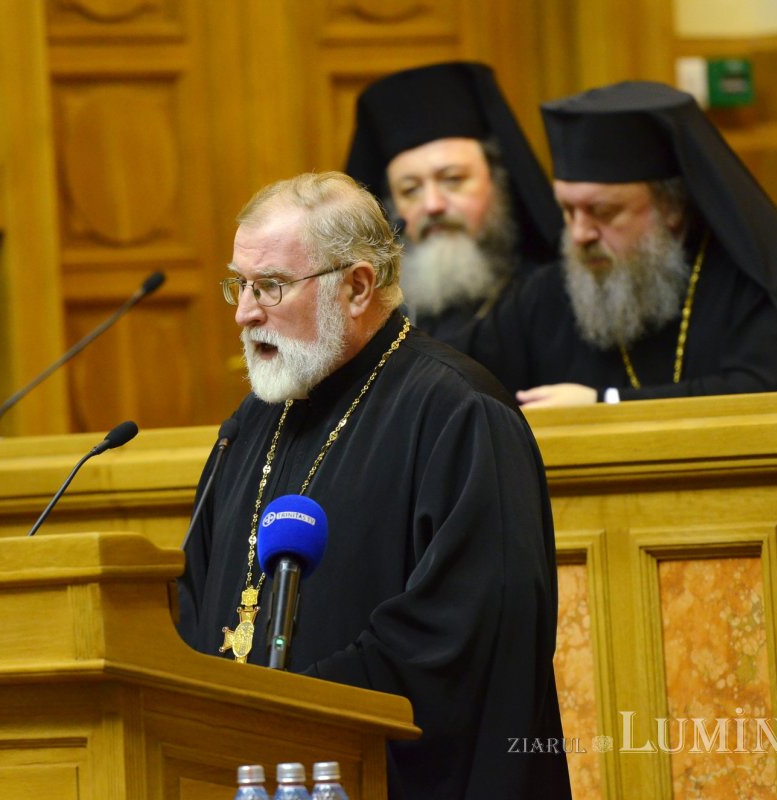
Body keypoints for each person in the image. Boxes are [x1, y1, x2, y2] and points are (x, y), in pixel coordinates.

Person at [177, 172, 570, 799]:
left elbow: (463, 637)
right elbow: (195, 602)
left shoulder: (460, 413)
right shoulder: (249, 427)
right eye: (240, 284)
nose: (245, 311)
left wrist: (289, 708)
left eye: (271, 286)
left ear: (357, 287)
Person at [473, 81, 777, 407]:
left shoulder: (751, 282)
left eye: (604, 212)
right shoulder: (546, 295)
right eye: (567, 211)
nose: (579, 234)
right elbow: (465, 374)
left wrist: (606, 404)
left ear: (671, 206)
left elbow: (771, 392)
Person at [344, 62, 563, 353]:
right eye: (410, 190)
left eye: (453, 180)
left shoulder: (548, 296)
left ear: (497, 182)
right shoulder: (376, 319)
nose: (433, 205)